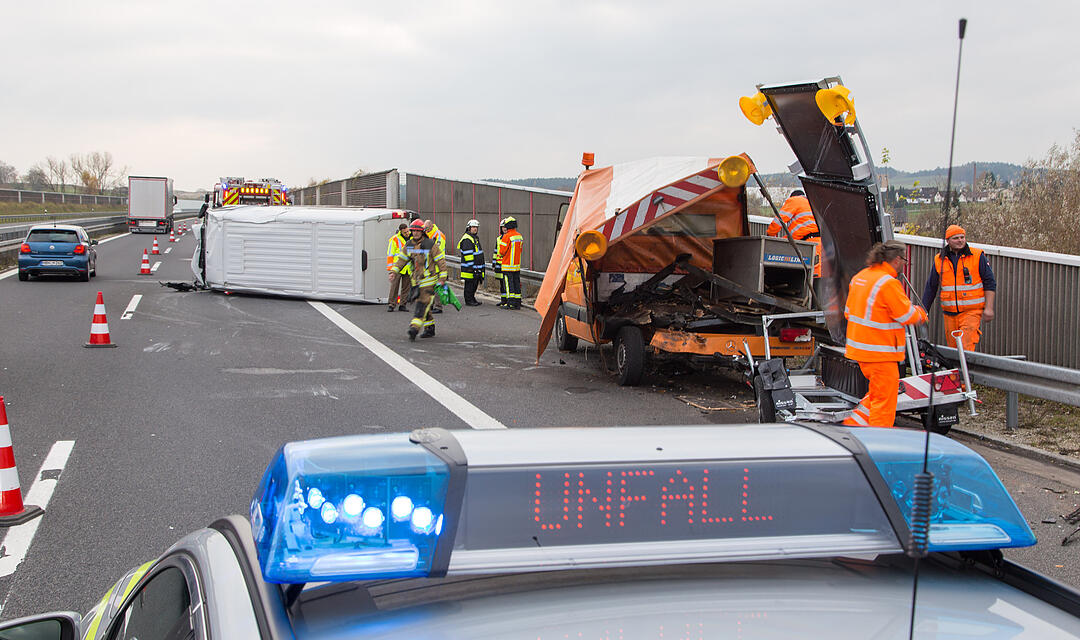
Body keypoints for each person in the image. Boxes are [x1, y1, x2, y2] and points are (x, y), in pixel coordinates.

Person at [842, 240, 928, 428]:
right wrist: (921, 313)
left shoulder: (861, 277)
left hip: (861, 352)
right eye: (904, 260)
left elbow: (848, 312)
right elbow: (906, 315)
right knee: (884, 403)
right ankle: (879, 441)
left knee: (876, 395)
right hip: (881, 354)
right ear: (897, 259)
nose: (904, 264)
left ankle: (853, 425)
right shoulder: (888, 283)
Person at [921, 224, 996, 352]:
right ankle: (960, 373)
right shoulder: (939, 260)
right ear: (948, 240)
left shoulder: (977, 256)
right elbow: (931, 287)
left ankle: (966, 371)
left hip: (971, 312)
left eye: (962, 237)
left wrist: (989, 308)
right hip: (949, 315)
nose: (960, 240)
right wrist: (923, 310)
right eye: (956, 238)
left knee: (965, 348)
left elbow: (990, 282)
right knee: (954, 351)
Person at [389, 219, 447, 340]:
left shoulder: (430, 244)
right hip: (416, 282)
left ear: (422, 232)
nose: (415, 233)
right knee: (425, 305)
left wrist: (442, 277)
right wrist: (394, 271)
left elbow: (440, 261)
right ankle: (430, 328)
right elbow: (401, 260)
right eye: (413, 231)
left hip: (429, 280)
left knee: (422, 304)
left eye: (417, 231)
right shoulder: (409, 245)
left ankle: (414, 328)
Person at [767, 190, 821, 277]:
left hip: (808, 244)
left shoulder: (795, 200)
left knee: (809, 276)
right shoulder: (811, 203)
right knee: (816, 276)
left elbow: (779, 220)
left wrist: (770, 235)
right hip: (819, 243)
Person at [496, 216, 523, 309]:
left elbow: (501, 251)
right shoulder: (519, 236)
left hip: (507, 265)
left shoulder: (506, 236)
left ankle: (510, 303)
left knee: (508, 284)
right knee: (516, 283)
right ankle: (517, 302)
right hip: (516, 266)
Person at [457, 219, 484, 306]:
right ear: (469, 228)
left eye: (476, 227)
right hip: (470, 267)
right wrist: (472, 267)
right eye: (473, 227)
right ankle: (469, 300)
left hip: (475, 267)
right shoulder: (467, 239)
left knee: (474, 284)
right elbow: (468, 255)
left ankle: (472, 299)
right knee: (469, 285)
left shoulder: (474, 238)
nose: (475, 229)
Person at [386, 223, 411, 311]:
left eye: (408, 231)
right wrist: (391, 269)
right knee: (394, 286)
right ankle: (391, 304)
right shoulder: (395, 239)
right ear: (401, 232)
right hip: (397, 267)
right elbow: (390, 254)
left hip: (408, 267)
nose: (407, 233)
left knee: (406, 287)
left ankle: (402, 305)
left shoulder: (412, 238)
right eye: (405, 232)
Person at [424, 220, 447, 313]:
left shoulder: (438, 235)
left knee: (437, 288)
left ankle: (438, 307)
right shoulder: (428, 234)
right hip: (429, 266)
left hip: (437, 266)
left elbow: (438, 251)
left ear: (431, 226)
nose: (425, 230)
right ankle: (432, 305)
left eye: (426, 228)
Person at [492, 221, 507, 306]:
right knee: (502, 284)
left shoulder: (509, 238)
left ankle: (508, 301)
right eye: (503, 227)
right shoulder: (498, 239)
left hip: (507, 265)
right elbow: (495, 252)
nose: (504, 228)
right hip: (499, 265)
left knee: (507, 284)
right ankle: (503, 300)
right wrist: (494, 264)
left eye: (505, 227)